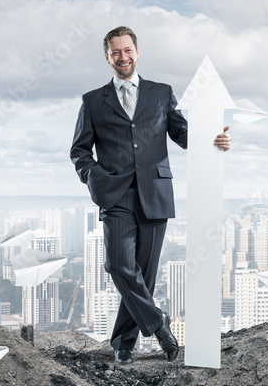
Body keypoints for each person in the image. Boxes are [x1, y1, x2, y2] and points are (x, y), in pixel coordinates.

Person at [70, 26, 230, 365]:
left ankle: (124, 344)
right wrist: (96, 179)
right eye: (116, 52)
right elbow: (79, 152)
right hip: (115, 194)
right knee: (118, 265)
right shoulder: (92, 101)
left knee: (142, 274)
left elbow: (182, 133)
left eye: (127, 50)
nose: (123, 57)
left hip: (155, 192)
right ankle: (159, 326)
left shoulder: (161, 92)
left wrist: (213, 137)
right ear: (107, 57)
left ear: (137, 52)